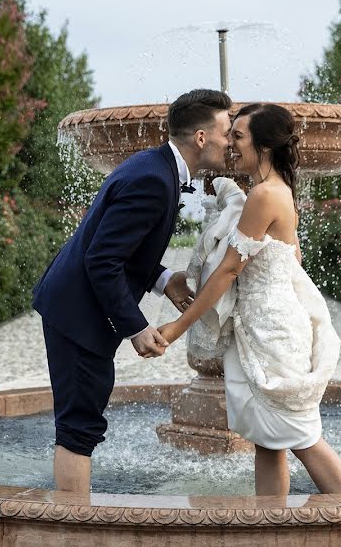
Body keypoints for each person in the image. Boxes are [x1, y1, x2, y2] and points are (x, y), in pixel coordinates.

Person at [33, 89, 232, 493]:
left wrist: (162, 279)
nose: (229, 142)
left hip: (74, 309)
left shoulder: (155, 168)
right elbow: (101, 260)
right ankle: (73, 533)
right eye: (226, 132)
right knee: (78, 428)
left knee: (80, 423)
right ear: (200, 138)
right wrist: (136, 327)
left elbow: (120, 250)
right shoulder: (154, 180)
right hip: (78, 317)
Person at [159, 103, 341, 496]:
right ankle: (272, 528)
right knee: (268, 439)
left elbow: (230, 269)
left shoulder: (265, 195)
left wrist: (178, 326)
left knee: (302, 436)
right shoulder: (272, 189)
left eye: (238, 136)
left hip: (270, 332)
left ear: (264, 146)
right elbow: (292, 259)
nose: (230, 143)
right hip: (263, 325)